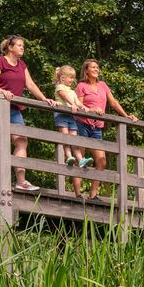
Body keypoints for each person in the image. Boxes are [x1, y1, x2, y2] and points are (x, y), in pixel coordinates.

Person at [0, 35, 55, 192]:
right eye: (20, 45)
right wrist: (3, 91)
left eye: (23, 45)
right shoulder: (0, 61)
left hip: (14, 108)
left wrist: (44, 98)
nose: (23, 48)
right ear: (10, 47)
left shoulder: (22, 65)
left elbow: (30, 84)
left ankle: (21, 181)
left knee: (21, 140)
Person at [73, 59, 137, 200]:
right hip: (82, 124)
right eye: (93, 67)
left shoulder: (103, 85)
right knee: (80, 159)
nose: (97, 69)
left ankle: (93, 194)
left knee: (101, 161)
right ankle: (77, 194)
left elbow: (113, 102)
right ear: (86, 70)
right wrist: (92, 110)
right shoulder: (81, 86)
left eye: (97, 67)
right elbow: (78, 106)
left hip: (97, 127)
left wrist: (126, 116)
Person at [52, 65, 88, 196]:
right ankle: (69, 157)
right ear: (62, 78)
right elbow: (64, 96)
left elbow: (77, 101)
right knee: (66, 138)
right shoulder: (60, 87)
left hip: (71, 116)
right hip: (62, 115)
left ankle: (80, 159)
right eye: (70, 78)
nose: (72, 80)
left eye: (73, 78)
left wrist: (82, 107)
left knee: (75, 139)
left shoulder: (72, 91)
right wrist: (72, 104)